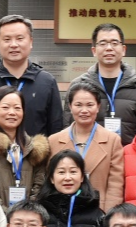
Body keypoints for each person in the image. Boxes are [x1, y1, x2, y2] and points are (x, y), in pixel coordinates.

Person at [0, 15, 63, 137]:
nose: (13, 44)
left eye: (19, 38)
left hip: (35, 149)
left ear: (31, 42)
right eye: (7, 39)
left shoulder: (46, 81)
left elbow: (56, 128)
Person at [65, 23, 136, 145]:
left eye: (114, 43)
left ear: (123, 49)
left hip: (127, 154)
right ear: (94, 50)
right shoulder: (78, 86)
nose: (109, 48)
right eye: (103, 43)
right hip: (87, 154)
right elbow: (67, 125)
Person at [0, 86, 52, 207]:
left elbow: (40, 183)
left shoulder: (34, 149)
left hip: (27, 215)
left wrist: (27, 208)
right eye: (5, 107)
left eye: (17, 108)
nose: (12, 112)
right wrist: (2, 211)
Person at [49, 81, 125, 211]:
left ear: (98, 107)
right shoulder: (54, 141)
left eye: (90, 105)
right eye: (78, 105)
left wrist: (108, 216)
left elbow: (115, 185)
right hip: (62, 212)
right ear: (70, 107)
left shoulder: (112, 140)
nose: (84, 110)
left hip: (98, 211)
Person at [37, 150, 110, 227]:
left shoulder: (98, 217)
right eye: (61, 172)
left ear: (82, 177)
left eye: (73, 172)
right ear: (51, 178)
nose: (67, 178)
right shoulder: (39, 214)